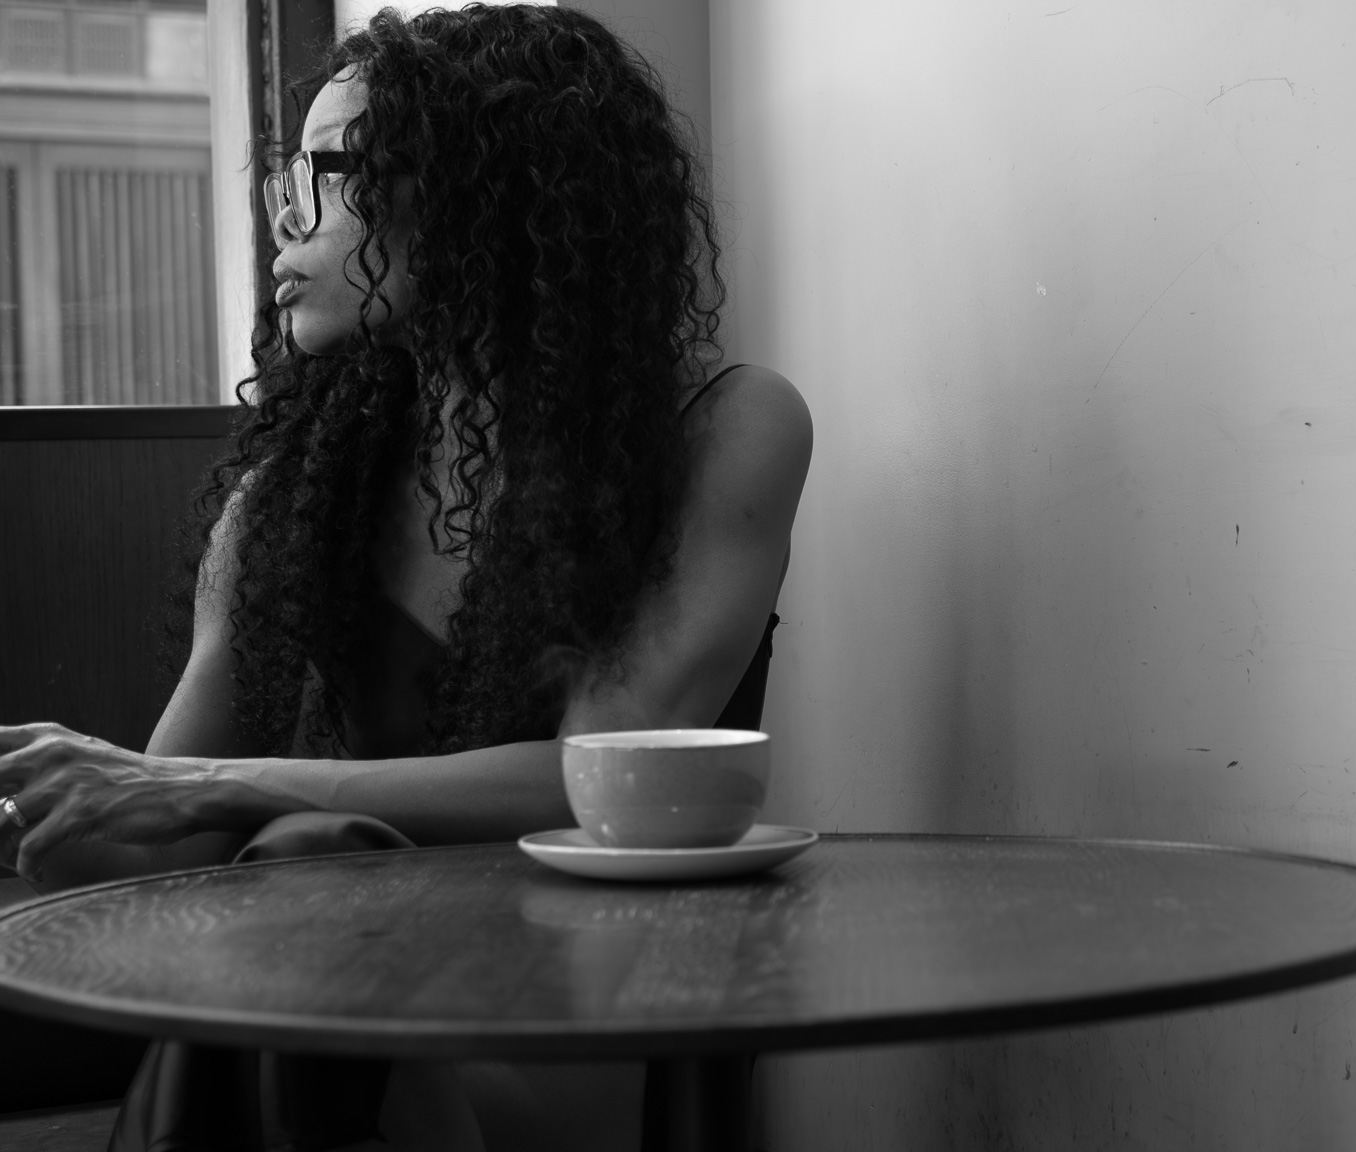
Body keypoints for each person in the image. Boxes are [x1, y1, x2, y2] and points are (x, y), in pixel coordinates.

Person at [0, 6, 810, 1149]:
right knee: (295, 911)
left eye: (325, 175)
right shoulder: (292, 496)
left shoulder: (726, 431)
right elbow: (166, 832)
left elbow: (598, 778)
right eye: (287, 181)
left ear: (477, 194)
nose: (286, 219)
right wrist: (36, 799)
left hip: (581, 1004)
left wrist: (231, 790)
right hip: (318, 992)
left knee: (303, 871)